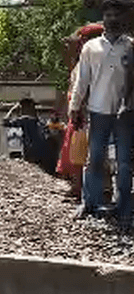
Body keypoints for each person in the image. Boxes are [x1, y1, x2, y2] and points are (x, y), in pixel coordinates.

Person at [70, 0, 133, 221]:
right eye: (108, 15)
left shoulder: (130, 46)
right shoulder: (91, 47)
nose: (113, 19)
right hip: (98, 111)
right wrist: (75, 107)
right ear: (103, 19)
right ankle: (90, 203)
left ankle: (125, 207)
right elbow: (82, 80)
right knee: (95, 158)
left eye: (117, 15)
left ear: (123, 18)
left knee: (124, 162)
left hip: (125, 114)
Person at [58, 23, 106, 201]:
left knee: (83, 151)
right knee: (77, 149)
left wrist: (78, 107)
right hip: (81, 111)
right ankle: (78, 187)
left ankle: (87, 190)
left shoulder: (93, 61)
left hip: (87, 112)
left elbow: (83, 88)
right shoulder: (81, 61)